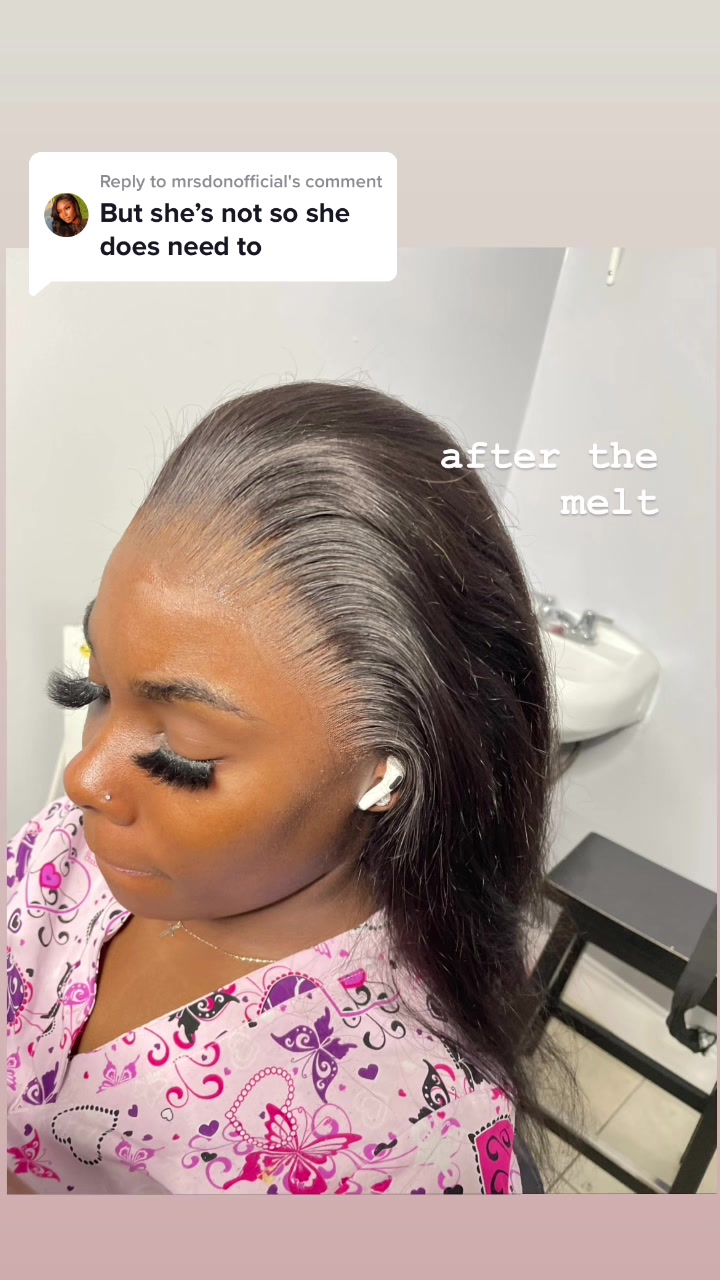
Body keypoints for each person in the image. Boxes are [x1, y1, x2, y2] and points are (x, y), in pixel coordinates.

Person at [7, 381, 559, 1195]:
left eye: (183, 755)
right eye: (94, 690)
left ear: (383, 775)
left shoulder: (397, 1143)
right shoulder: (65, 853)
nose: (84, 778)